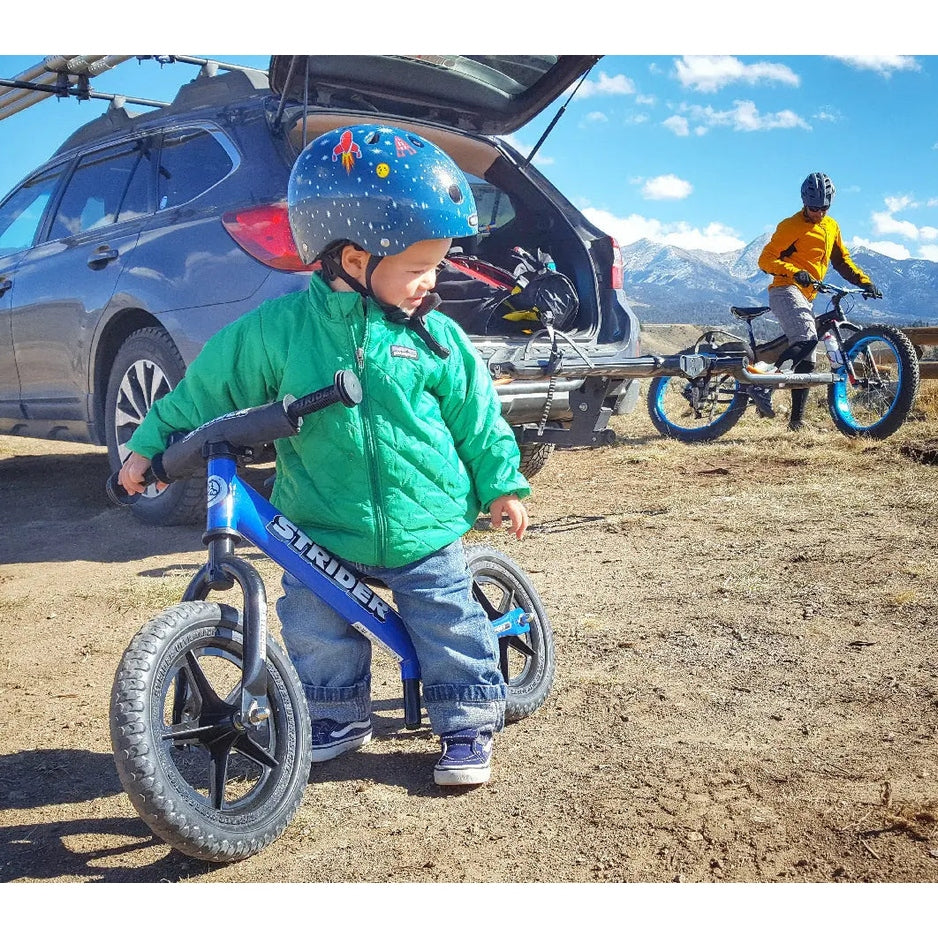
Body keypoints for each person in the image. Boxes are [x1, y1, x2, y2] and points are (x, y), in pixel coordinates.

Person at [117, 123, 531, 787]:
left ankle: (467, 719)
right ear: (354, 260)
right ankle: (336, 713)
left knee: (447, 620)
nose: (434, 282)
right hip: (321, 522)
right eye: (420, 267)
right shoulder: (276, 332)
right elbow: (203, 392)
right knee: (312, 624)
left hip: (423, 524)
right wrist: (148, 444)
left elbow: (477, 418)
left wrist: (501, 484)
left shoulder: (436, 338)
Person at [754, 172, 882, 431]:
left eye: (824, 208)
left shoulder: (831, 226)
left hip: (807, 295)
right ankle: (762, 386)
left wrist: (864, 281)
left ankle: (796, 421)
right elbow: (765, 260)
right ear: (804, 202)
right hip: (785, 288)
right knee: (805, 339)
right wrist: (793, 272)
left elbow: (841, 261)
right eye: (814, 208)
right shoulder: (790, 226)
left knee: (808, 359)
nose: (819, 214)